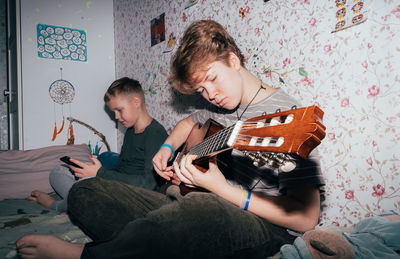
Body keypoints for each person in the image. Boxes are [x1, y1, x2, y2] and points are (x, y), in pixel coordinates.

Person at [16, 20, 324, 259]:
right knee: (87, 191)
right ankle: (157, 241)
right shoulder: (218, 106)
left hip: (262, 226)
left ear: (233, 60)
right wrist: (166, 149)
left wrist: (223, 190)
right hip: (184, 206)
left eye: (212, 79)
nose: (211, 94)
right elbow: (189, 121)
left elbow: (306, 219)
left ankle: (88, 254)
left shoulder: (284, 114)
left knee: (202, 208)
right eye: (201, 90)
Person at [26, 77, 168, 212]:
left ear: (136, 102)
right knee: (59, 171)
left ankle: (57, 205)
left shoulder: (155, 134)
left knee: (87, 190)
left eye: (119, 110)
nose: (117, 117)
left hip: (133, 195)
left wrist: (99, 173)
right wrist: (90, 170)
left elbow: (149, 184)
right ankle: (76, 198)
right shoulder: (130, 132)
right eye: (114, 112)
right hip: (115, 186)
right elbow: (119, 168)